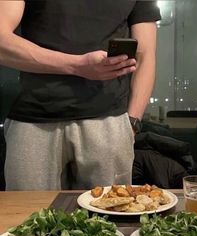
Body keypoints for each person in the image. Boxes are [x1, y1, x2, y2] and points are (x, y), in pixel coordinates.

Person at [0, 0, 161, 190]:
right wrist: (77, 65)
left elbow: (145, 55)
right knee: (28, 216)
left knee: (110, 216)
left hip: (109, 121)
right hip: (33, 120)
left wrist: (132, 123)